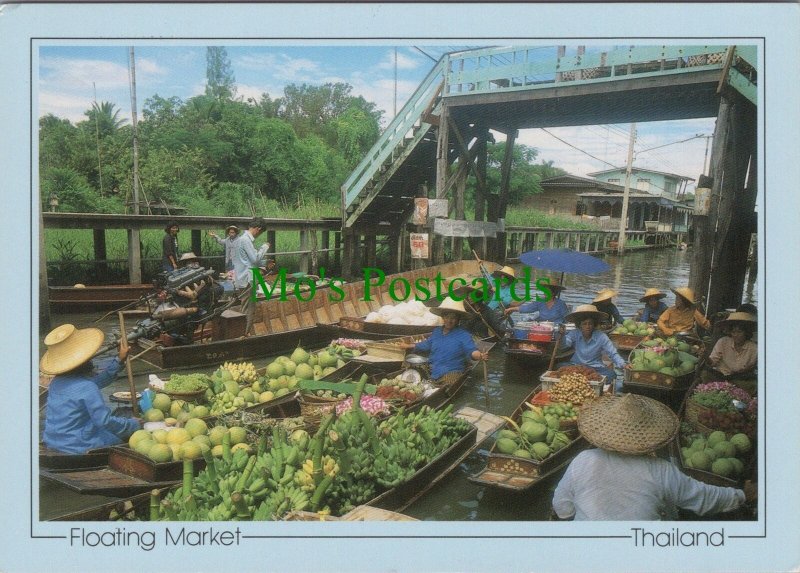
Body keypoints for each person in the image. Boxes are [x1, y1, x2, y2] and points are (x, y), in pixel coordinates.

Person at [552, 393, 756, 520]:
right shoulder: (660, 469)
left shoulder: (583, 460)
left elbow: (562, 508)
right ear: (648, 435)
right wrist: (742, 495)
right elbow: (702, 497)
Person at [41, 324, 141, 454]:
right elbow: (104, 421)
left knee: (119, 419)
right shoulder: (87, 387)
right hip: (79, 446)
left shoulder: (56, 382)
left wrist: (119, 360)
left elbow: (97, 381)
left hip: (52, 441)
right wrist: (133, 424)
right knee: (126, 437)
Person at [400, 297, 488, 385]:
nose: (449, 321)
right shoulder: (437, 331)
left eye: (453, 318)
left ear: (458, 320)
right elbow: (427, 344)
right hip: (434, 368)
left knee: (448, 384)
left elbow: (471, 351)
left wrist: (480, 355)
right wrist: (407, 346)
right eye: (447, 317)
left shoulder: (463, 335)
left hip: (451, 371)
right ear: (443, 317)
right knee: (410, 367)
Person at [557, 304, 627, 383]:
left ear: (594, 324)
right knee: (559, 366)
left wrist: (623, 364)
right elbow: (564, 345)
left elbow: (613, 353)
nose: (588, 326)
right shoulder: (574, 333)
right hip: (577, 366)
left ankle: (579, 379)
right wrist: (562, 336)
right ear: (579, 325)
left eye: (590, 323)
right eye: (584, 324)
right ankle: (583, 379)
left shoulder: (601, 336)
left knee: (612, 375)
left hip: (595, 368)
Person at [232, 217, 271, 335]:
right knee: (249, 310)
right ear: (258, 229)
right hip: (247, 279)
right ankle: (244, 335)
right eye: (260, 232)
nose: (259, 235)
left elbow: (246, 260)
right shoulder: (245, 240)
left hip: (241, 277)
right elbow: (254, 260)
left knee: (244, 307)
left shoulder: (240, 239)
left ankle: (242, 333)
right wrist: (265, 247)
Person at [707, 312, 757, 379]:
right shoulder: (723, 342)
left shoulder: (753, 348)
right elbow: (713, 362)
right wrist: (705, 357)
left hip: (741, 378)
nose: (736, 335)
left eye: (739, 332)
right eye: (733, 332)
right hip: (720, 375)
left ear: (746, 333)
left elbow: (751, 367)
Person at [504, 282, 570, 324]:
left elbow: (567, 318)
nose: (544, 292)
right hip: (542, 328)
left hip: (556, 329)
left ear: (553, 293)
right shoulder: (540, 301)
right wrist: (511, 309)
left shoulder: (561, 304)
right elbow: (527, 308)